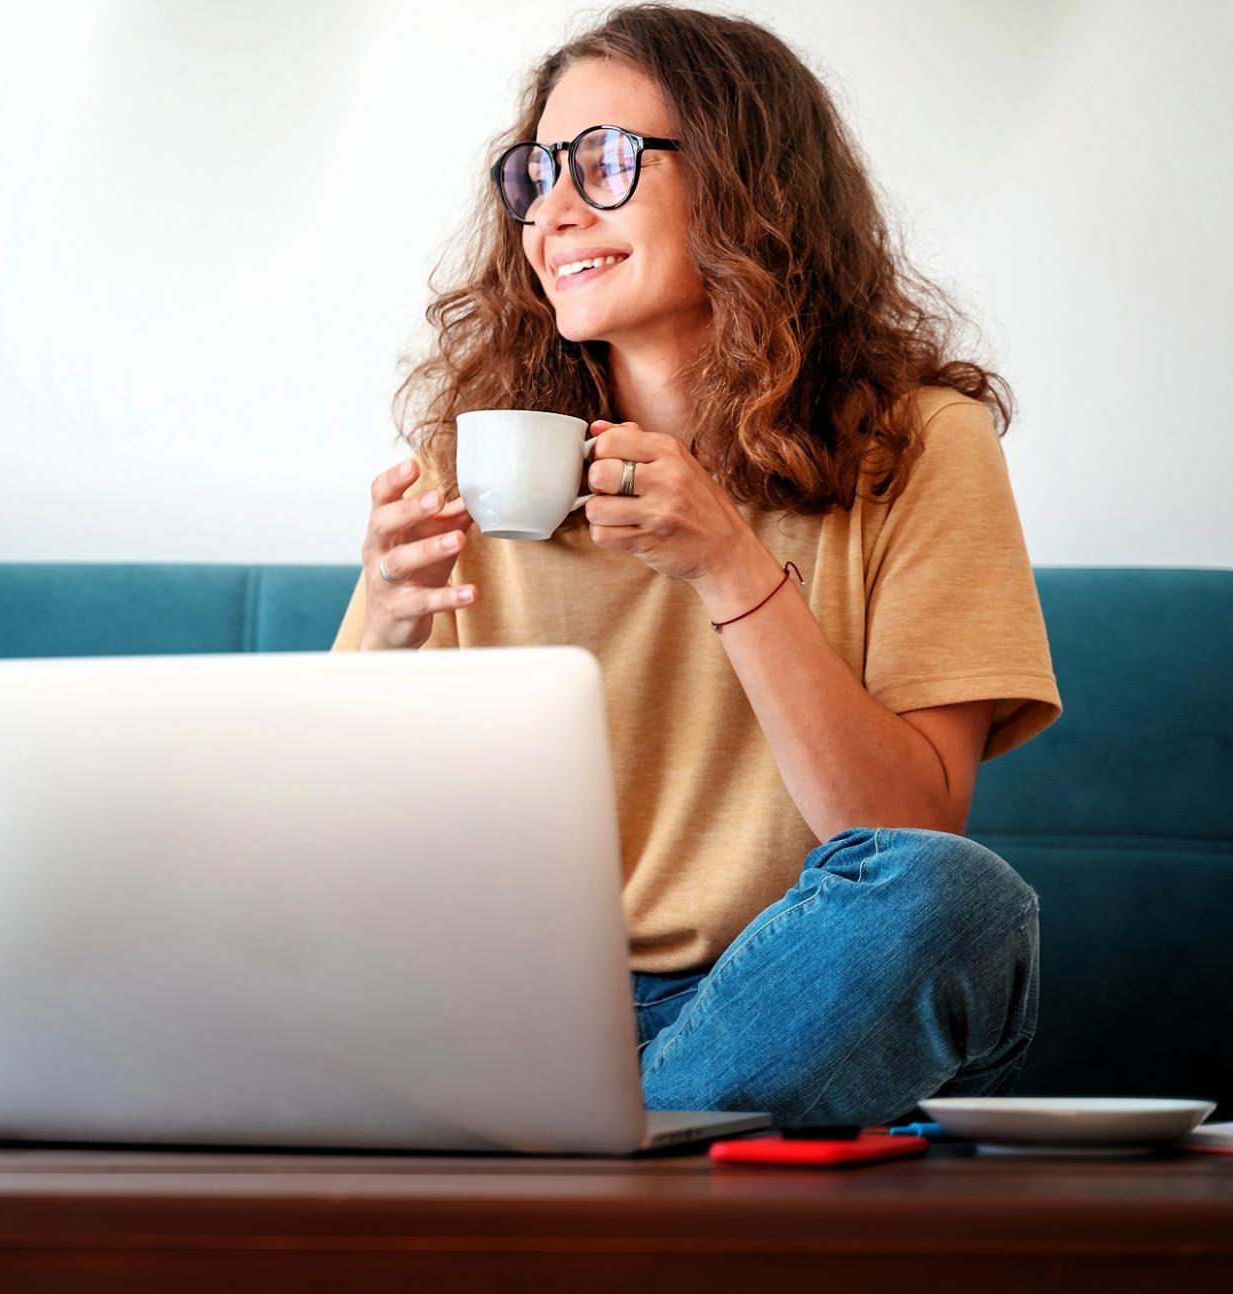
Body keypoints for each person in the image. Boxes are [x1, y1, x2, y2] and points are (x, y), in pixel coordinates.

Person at [328, 3, 1062, 1126]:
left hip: (782, 995)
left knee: (958, 904)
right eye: (534, 174)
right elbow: (327, 847)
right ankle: (643, 1147)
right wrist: (385, 617)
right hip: (515, 1006)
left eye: (606, 163)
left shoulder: (916, 441)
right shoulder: (472, 464)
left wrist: (728, 564)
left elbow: (907, 833)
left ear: (746, 183)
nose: (553, 211)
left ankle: (595, 1150)